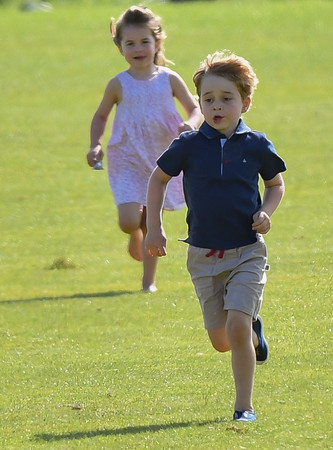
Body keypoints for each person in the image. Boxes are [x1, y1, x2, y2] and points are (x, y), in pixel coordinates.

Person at [146, 50, 287, 421]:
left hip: (247, 251)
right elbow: (158, 179)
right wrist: (155, 227)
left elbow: (275, 185)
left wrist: (265, 213)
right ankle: (254, 334)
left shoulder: (256, 144)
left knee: (236, 324)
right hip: (204, 255)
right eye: (208, 99)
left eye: (226, 98)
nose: (216, 106)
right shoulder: (188, 144)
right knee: (222, 340)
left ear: (246, 102)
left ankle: (244, 408)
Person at [86, 6, 202, 292]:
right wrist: (95, 144)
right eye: (130, 43)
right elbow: (101, 115)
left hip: (160, 159)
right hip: (126, 157)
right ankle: (133, 231)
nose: (138, 48)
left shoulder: (168, 79)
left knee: (154, 222)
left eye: (144, 42)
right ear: (120, 47)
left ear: (157, 44)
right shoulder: (118, 83)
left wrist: (189, 124)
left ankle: (148, 282)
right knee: (128, 222)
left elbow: (194, 108)